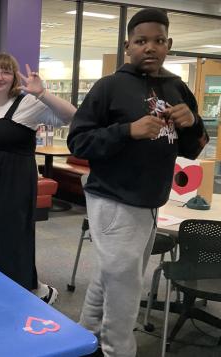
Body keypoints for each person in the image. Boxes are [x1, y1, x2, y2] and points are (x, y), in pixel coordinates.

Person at [67, 9, 208, 357]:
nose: (150, 47)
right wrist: (127, 130)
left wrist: (191, 122)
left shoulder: (176, 87)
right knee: (126, 288)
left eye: (158, 41)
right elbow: (79, 141)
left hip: (149, 202)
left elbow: (192, 147)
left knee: (111, 277)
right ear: (128, 45)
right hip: (114, 199)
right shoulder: (109, 87)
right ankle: (118, 350)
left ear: (169, 44)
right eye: (141, 41)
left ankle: (85, 340)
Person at [0, 53, 76, 304]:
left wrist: (42, 93)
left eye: (6, 71)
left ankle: (34, 290)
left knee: (14, 235)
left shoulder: (28, 104)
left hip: (17, 182)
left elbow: (71, 115)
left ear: (13, 77)